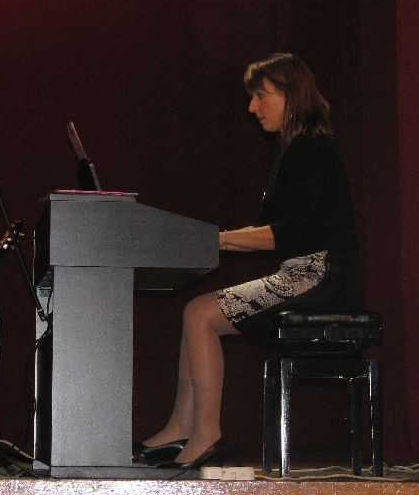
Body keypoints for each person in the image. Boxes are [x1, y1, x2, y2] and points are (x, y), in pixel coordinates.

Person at [136, 53, 362, 470]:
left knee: (200, 314)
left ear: (291, 95)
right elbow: (269, 231)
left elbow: (289, 233)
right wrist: (210, 240)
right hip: (304, 271)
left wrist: (217, 239)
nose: (252, 107)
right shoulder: (296, 152)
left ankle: (205, 435)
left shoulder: (312, 151)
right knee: (196, 312)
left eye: (261, 95)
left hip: (321, 273)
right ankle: (182, 427)